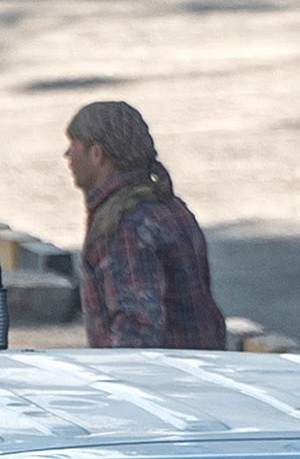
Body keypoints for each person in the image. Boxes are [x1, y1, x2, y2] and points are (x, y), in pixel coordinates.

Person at [64, 100, 225, 349]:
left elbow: (136, 328)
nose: (67, 156)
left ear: (97, 154)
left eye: (73, 146)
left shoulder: (124, 224)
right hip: (198, 372)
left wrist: (119, 382)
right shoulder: (169, 207)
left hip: (163, 381)